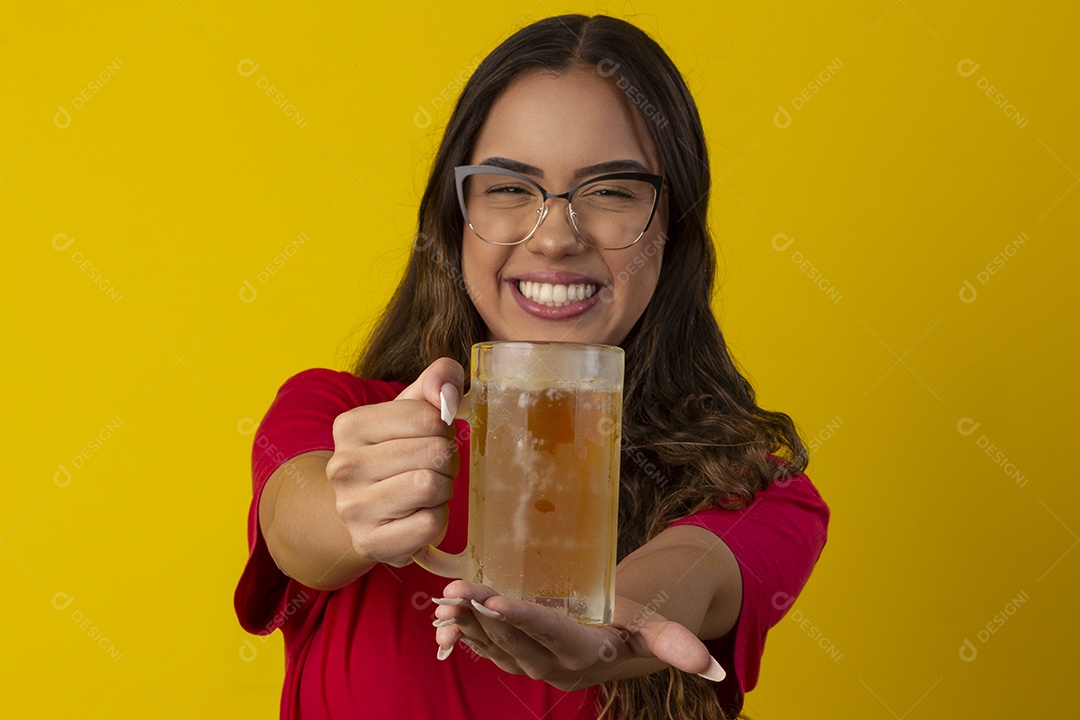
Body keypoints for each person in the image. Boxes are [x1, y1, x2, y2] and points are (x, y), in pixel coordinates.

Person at [235, 13, 829, 720]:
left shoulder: (757, 487)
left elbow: (694, 574)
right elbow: (297, 528)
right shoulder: (335, 414)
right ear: (455, 226)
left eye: (610, 191)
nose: (554, 237)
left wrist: (617, 623)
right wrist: (353, 509)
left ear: (673, 231)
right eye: (510, 188)